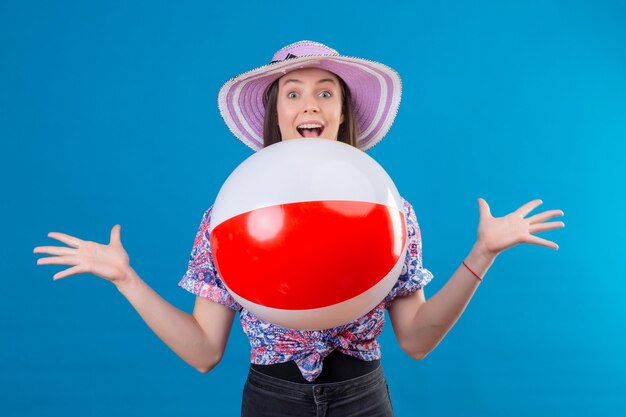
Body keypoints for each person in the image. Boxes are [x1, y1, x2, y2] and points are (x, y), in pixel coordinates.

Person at [33, 40, 564, 416]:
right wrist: (127, 279)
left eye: (325, 92)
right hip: (270, 401)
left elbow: (418, 340)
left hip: (364, 400)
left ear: (342, 112)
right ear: (277, 113)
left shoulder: (389, 208)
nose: (309, 102)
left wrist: (483, 254)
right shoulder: (230, 214)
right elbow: (203, 352)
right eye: (293, 92)